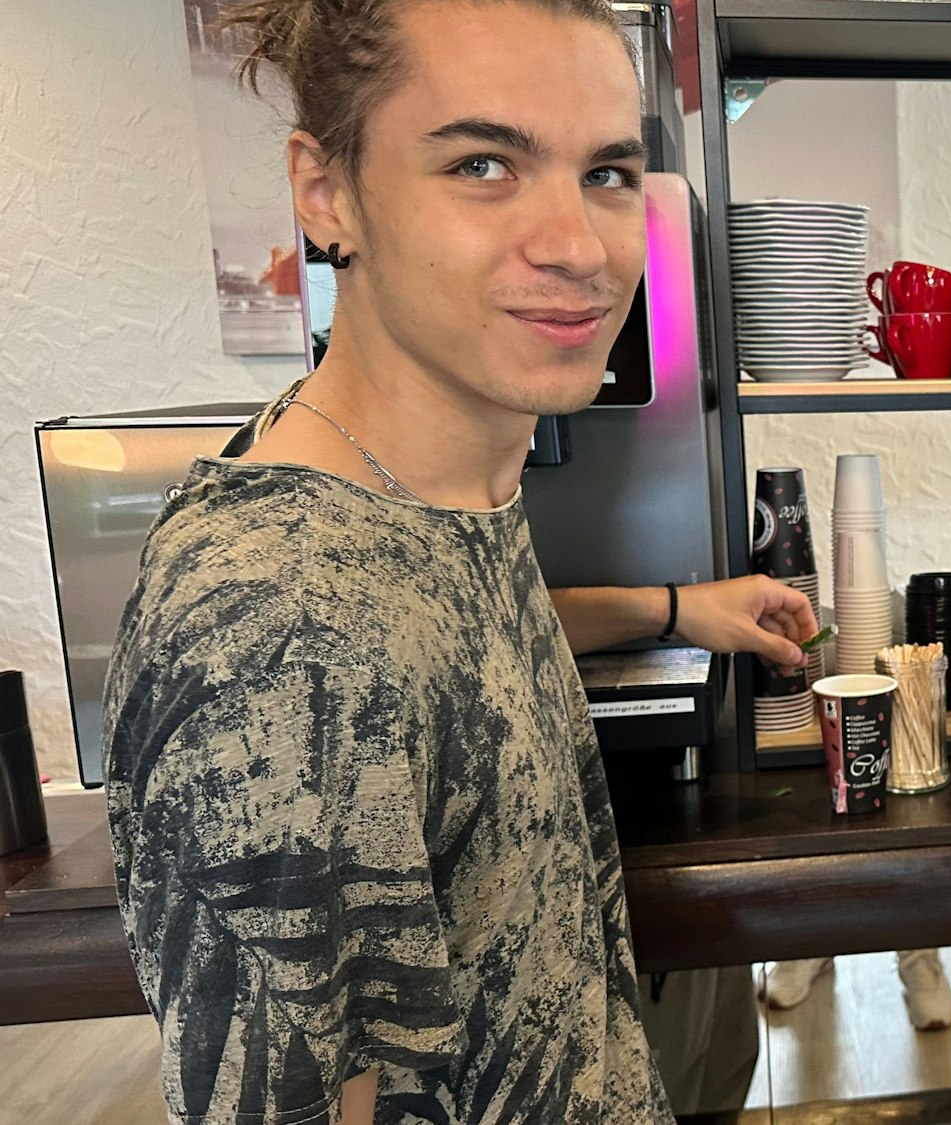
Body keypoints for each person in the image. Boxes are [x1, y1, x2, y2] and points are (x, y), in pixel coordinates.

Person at [101, 2, 814, 1122]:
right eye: (483, 163)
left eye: (608, 173)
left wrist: (680, 607)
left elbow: (446, 640)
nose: (577, 246)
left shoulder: (418, 493)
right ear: (327, 192)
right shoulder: (280, 631)